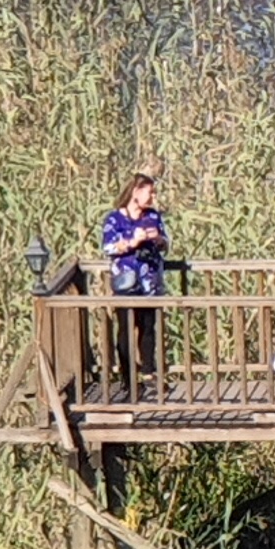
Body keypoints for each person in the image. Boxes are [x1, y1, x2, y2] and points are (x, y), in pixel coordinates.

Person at [96, 168, 168, 394]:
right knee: (126, 329)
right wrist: (131, 242)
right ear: (135, 192)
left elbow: (166, 245)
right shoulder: (114, 219)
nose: (154, 198)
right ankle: (128, 377)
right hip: (127, 283)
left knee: (148, 328)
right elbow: (107, 247)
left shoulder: (153, 217)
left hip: (150, 283)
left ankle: (148, 372)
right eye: (150, 193)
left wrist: (157, 239)